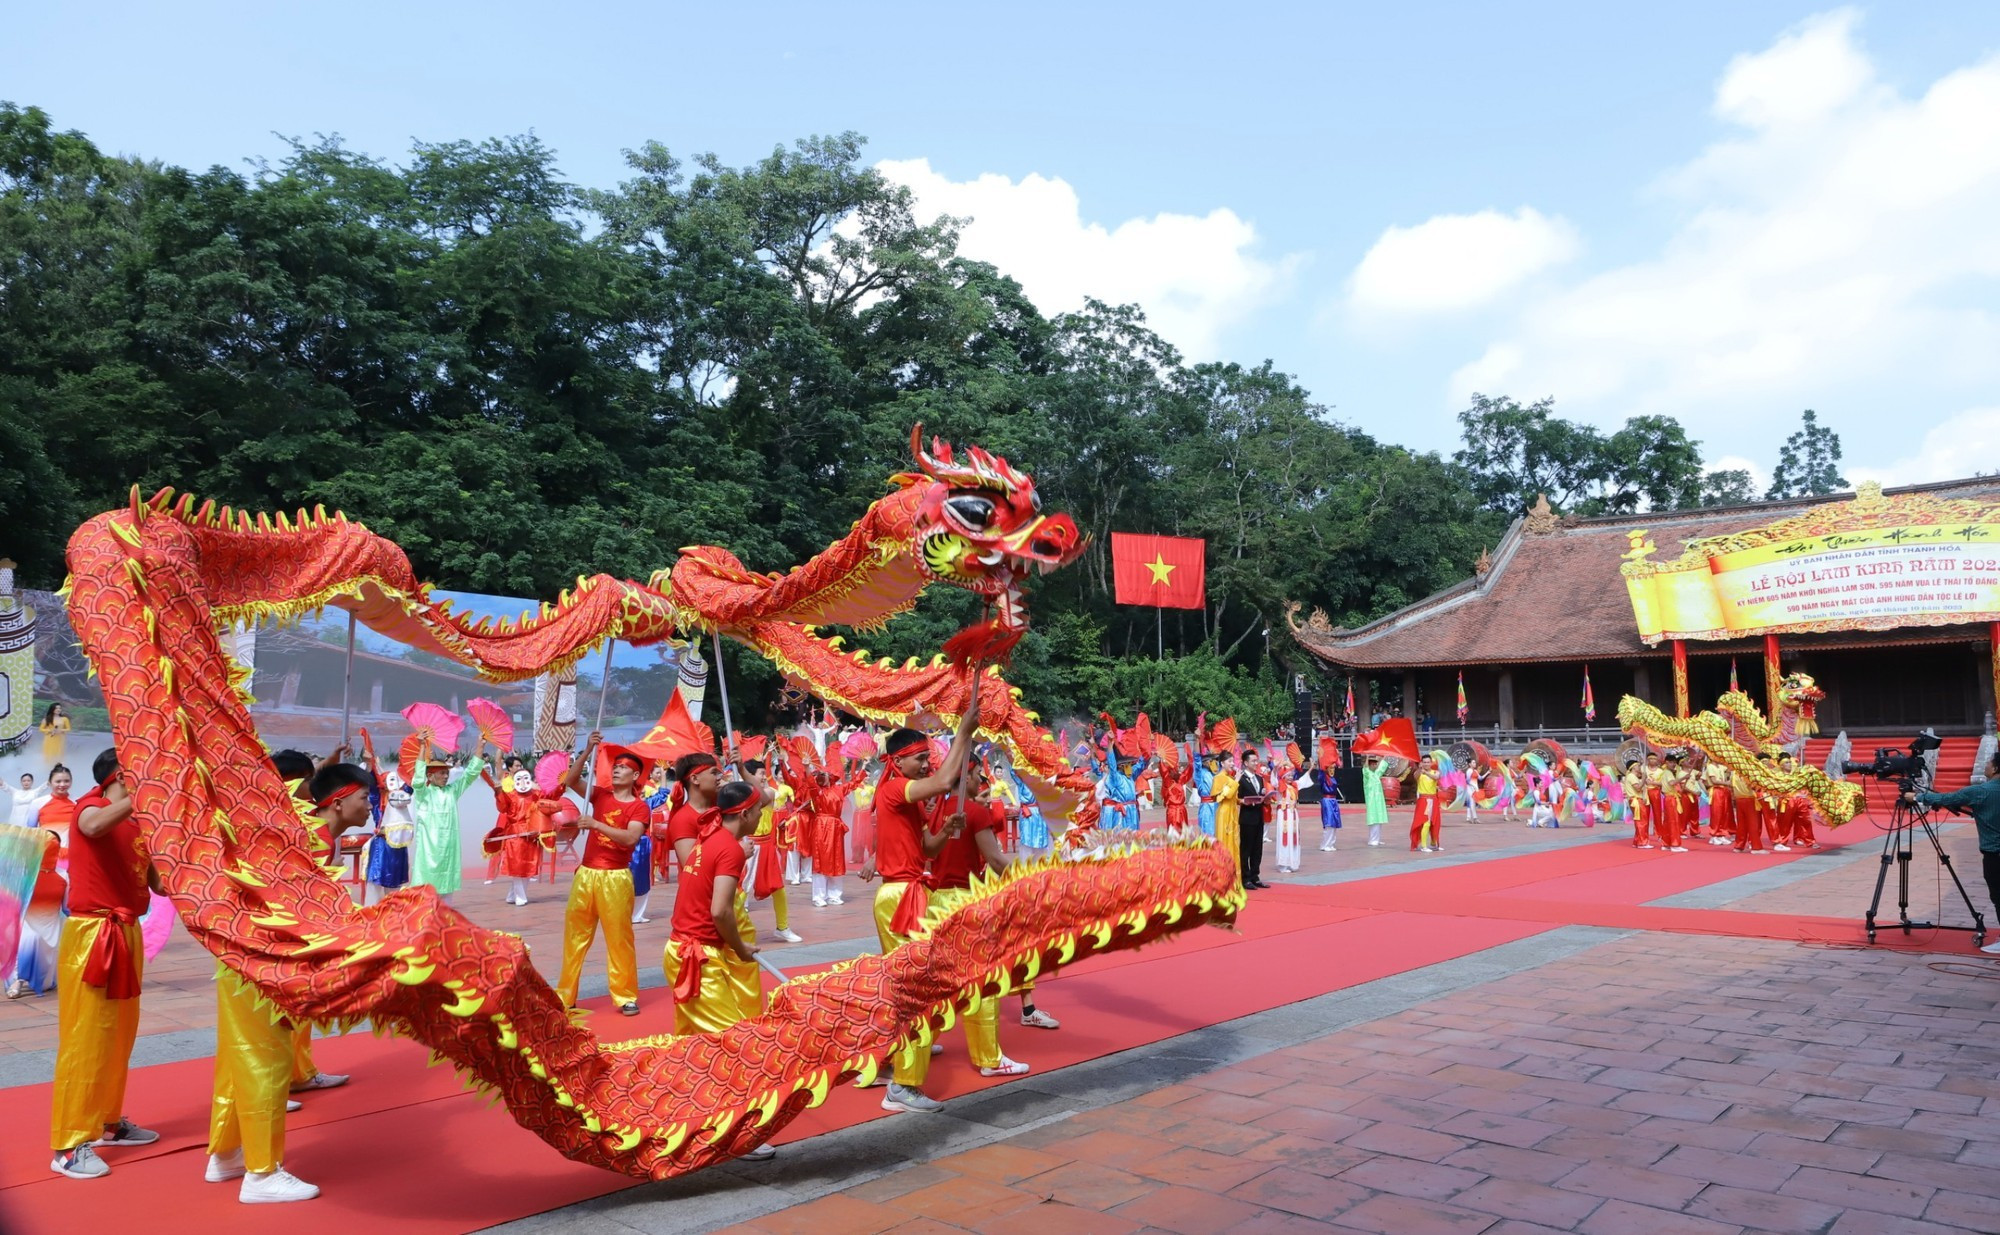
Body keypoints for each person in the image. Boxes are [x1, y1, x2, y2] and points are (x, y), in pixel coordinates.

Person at [204, 758, 371, 1204]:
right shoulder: (311, 841)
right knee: (266, 1061)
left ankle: (227, 1155)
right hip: (262, 960)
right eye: (363, 798)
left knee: (241, 1059)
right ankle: (262, 1174)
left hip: (249, 956)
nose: (369, 806)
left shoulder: (313, 836)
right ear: (337, 803)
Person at [864, 705, 981, 1114]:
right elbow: (947, 779)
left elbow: (925, 851)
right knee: (916, 991)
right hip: (900, 898)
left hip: (908, 892)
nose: (925, 764)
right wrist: (963, 731)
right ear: (897, 761)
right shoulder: (896, 789)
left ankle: (888, 1062)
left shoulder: (908, 798)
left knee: (907, 989)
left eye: (927, 757)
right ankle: (903, 1086)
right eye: (920, 758)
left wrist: (946, 832)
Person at [49, 747, 158, 1180]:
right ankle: (69, 1144)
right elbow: (92, 827)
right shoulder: (90, 806)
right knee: (86, 1039)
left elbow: (160, 885)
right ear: (121, 776)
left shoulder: (139, 824)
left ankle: (108, 1124)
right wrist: (144, 794)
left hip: (127, 932)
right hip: (93, 934)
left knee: (119, 1035)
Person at [929, 763, 1031, 1077]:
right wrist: (1030, 884)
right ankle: (988, 1057)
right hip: (964, 901)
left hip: (934, 901)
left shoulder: (934, 810)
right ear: (968, 777)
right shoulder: (973, 813)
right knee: (984, 981)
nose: (981, 782)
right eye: (977, 777)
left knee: (937, 983)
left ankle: (918, 1040)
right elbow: (997, 861)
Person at [1911, 752, 2000, 954]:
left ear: (1995, 768)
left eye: (1988, 763)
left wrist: (1917, 796)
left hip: (1996, 855)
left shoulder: (1981, 791)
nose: (1986, 766)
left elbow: (1947, 798)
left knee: (1998, 895)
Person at [408, 744, 484, 905]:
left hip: (449, 848)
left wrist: (480, 746)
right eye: (442, 773)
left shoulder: (451, 791)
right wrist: (422, 746)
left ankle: (445, 921)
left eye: (447, 773)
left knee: (446, 891)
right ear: (430, 776)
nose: (446, 776)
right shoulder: (423, 794)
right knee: (426, 891)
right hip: (429, 850)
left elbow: (470, 775)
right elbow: (417, 780)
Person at [1236, 753, 1269, 888]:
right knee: (1246, 849)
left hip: (1258, 816)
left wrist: (1266, 798)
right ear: (1245, 763)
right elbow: (1236, 798)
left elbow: (1261, 796)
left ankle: (1255, 875)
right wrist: (1244, 801)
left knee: (1257, 848)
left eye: (1257, 760)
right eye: (1253, 761)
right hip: (1247, 817)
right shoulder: (1241, 779)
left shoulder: (1259, 779)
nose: (1256, 763)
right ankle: (1245, 877)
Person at [1410, 755, 1441, 852]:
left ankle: (1433, 843)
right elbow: (1415, 776)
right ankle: (1423, 846)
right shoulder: (1419, 773)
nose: (1426, 764)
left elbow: (1436, 777)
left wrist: (1426, 773)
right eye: (1425, 762)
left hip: (1434, 800)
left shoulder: (1435, 772)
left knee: (1435, 822)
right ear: (1422, 763)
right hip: (1424, 800)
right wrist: (1420, 770)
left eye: (1428, 762)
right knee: (1425, 822)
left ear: (1431, 763)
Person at [1360, 756, 1388, 847]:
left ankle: (1377, 838)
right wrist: (1367, 757)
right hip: (1372, 801)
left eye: (1376, 764)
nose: (1376, 765)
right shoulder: (1367, 774)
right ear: (1370, 765)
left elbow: (1381, 768)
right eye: (1374, 764)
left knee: (1379, 819)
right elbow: (1365, 768)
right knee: (1373, 820)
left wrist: (1384, 757)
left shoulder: (1376, 774)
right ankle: (1372, 840)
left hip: (1379, 800)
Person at [1315, 762, 1342, 851]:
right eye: (1330, 768)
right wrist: (1321, 759)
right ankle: (1325, 844)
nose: (1332, 770)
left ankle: (1330, 843)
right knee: (1329, 823)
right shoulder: (1324, 778)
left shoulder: (1332, 778)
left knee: (1334, 823)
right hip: (1327, 801)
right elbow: (1321, 771)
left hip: (1334, 801)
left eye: (1333, 768)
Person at [1192, 753, 1219, 837]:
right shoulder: (1200, 773)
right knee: (1207, 833)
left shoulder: (1214, 774)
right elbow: (1196, 759)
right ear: (1205, 762)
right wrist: (1197, 741)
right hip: (1207, 807)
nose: (1214, 763)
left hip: (1217, 805)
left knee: (1218, 833)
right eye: (1212, 761)